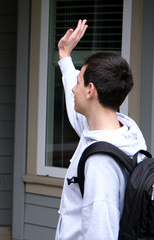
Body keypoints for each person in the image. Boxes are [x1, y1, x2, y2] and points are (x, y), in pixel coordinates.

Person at [55, 19, 147, 239]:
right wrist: (65, 56)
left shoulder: (100, 164)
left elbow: (101, 232)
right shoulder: (126, 130)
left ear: (90, 91)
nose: (73, 89)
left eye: (78, 82)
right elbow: (76, 107)